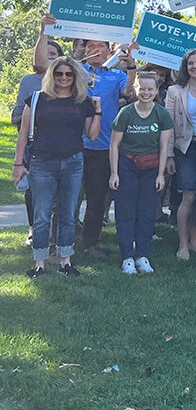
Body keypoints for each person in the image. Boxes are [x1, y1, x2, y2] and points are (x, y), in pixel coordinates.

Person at [36, 15, 137, 257]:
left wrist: (131, 66)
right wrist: (44, 31)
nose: (95, 50)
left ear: (107, 51)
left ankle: (89, 244)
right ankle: (55, 243)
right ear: (84, 49)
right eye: (90, 46)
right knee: (64, 200)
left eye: (100, 47)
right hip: (71, 145)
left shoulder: (117, 75)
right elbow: (41, 64)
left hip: (103, 148)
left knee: (96, 200)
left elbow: (130, 93)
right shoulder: (73, 71)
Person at [13, 57, 101, 277]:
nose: (63, 78)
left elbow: (92, 134)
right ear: (51, 75)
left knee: (68, 213)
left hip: (73, 162)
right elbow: (23, 134)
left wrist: (98, 111)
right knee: (42, 214)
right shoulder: (35, 100)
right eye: (59, 73)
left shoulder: (82, 101)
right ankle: (39, 264)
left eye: (68, 74)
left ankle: (65, 262)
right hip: (42, 162)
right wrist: (18, 163)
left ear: (75, 77)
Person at [108, 72, 173, 274]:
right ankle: (127, 256)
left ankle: (142, 255)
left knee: (146, 213)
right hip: (127, 167)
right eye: (142, 88)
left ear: (156, 91)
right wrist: (114, 173)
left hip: (151, 169)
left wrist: (161, 174)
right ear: (136, 89)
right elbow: (114, 145)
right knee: (126, 211)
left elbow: (164, 147)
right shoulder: (126, 113)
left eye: (150, 89)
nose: (146, 92)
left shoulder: (162, 114)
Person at [165, 49, 196, 260]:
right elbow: (167, 126)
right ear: (185, 67)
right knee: (189, 196)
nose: (195, 66)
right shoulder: (175, 91)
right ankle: (183, 245)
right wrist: (168, 155)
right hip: (185, 148)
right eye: (191, 63)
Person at [12, 37, 62, 243]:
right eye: (45, 54)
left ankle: (55, 235)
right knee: (33, 190)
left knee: (60, 193)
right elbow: (16, 115)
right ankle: (33, 230)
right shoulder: (28, 81)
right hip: (35, 144)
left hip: (61, 146)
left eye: (54, 55)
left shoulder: (68, 80)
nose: (49, 58)